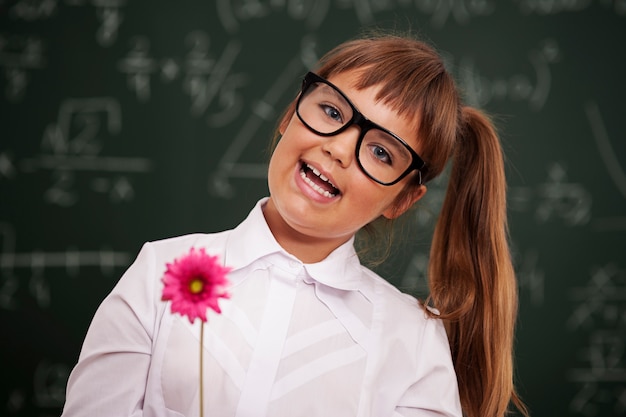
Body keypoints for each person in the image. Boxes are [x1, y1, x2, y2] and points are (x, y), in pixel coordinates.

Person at [61, 33, 527, 417]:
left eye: (382, 152)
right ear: (290, 113)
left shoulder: (413, 343)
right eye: (332, 111)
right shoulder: (162, 271)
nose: (341, 149)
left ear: (402, 199)